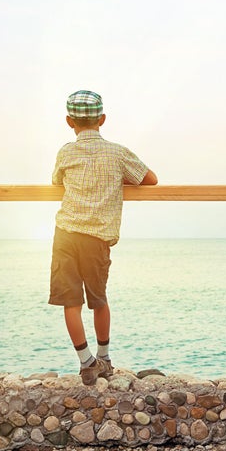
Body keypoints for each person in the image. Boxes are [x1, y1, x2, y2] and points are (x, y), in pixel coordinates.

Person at [48, 90, 158, 385]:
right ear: (103, 119)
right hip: (96, 239)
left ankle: (86, 363)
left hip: (66, 234)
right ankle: (105, 358)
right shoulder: (118, 153)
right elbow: (151, 180)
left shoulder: (66, 153)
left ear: (69, 121)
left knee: (70, 302)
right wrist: (115, 178)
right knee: (98, 299)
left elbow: (56, 181)